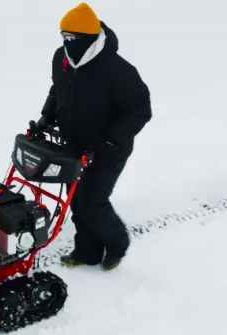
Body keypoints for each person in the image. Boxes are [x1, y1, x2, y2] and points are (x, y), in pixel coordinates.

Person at [33, 2, 151, 270]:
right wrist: (46, 116)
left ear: (87, 38)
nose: (67, 42)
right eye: (64, 36)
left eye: (72, 38)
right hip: (73, 144)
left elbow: (139, 110)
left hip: (109, 148)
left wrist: (110, 141)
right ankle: (87, 252)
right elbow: (58, 90)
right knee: (76, 199)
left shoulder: (117, 69)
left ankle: (118, 244)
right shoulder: (61, 58)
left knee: (92, 202)